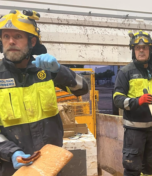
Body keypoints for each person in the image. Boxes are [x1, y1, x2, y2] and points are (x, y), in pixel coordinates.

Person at [0, 10, 89, 175]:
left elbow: (82, 88)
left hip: (51, 164)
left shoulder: (46, 69)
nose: (11, 41)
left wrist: (59, 70)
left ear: (32, 41)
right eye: (6, 36)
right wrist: (11, 152)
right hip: (14, 167)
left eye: (18, 36)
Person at [113, 30, 152, 176]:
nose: (141, 50)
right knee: (133, 168)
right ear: (133, 51)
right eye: (138, 48)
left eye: (145, 47)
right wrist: (137, 102)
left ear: (150, 50)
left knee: (150, 166)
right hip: (134, 131)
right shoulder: (125, 72)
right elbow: (117, 99)